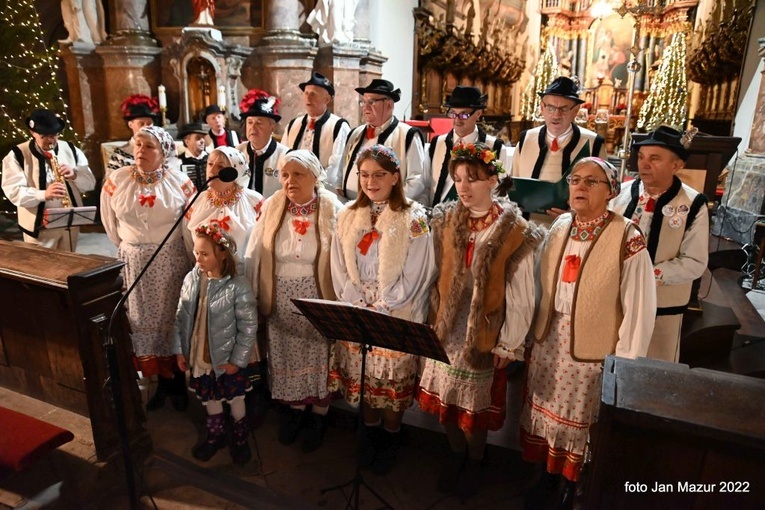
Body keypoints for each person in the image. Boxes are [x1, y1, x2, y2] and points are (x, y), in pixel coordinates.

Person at [519, 157, 656, 509]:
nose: (579, 186)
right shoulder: (560, 224)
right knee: (547, 412)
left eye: (591, 181)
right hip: (550, 339)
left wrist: (624, 366)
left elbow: (639, 307)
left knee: (581, 421)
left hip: (593, 349)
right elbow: (539, 281)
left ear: (611, 191)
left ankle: (573, 486)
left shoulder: (628, 236)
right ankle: (548, 476)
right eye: (575, 179)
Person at [417, 142, 543, 499]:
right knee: (444, 404)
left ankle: (476, 459)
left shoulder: (513, 229)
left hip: (483, 331)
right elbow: (431, 273)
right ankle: (456, 454)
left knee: (473, 409)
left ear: (492, 179)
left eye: (472, 178)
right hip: (446, 326)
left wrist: (510, 341)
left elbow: (521, 292)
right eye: (458, 179)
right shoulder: (444, 219)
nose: (463, 187)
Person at [329, 145, 436, 474]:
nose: (370, 181)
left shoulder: (416, 217)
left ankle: (391, 436)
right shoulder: (347, 214)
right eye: (364, 174)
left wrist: (388, 302)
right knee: (364, 381)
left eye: (379, 175)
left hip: (394, 309)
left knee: (389, 386)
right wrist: (354, 296)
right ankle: (370, 434)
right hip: (358, 305)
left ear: (395, 177)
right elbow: (337, 262)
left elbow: (423, 267)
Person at [244, 150, 343, 453]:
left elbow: (341, 257)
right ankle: (297, 410)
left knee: (318, 356)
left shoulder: (333, 208)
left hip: (318, 294)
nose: (289, 181)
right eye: (285, 175)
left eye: (298, 174)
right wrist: (252, 293)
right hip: (280, 294)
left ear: (315, 177)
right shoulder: (272, 205)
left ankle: (319, 416)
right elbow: (254, 252)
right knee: (286, 354)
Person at [101, 126, 196, 412]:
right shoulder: (116, 180)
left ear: (164, 152)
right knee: (141, 320)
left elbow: (187, 227)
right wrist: (131, 248)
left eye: (149, 146)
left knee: (171, 318)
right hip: (135, 262)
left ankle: (176, 385)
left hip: (170, 262)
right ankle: (156, 383)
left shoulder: (180, 183)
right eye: (138, 144)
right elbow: (110, 223)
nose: (141, 150)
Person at [610, 126, 708, 362]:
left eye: (655, 159)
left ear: (676, 165)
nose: (644, 164)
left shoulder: (693, 204)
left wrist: (648, 276)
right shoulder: (620, 194)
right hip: (615, 299)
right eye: (642, 157)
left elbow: (695, 262)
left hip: (662, 306)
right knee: (612, 363)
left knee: (655, 370)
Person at [172, 224, 258, 465]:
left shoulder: (237, 286)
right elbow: (180, 317)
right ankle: (215, 435)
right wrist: (180, 349)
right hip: (200, 357)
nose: (198, 258)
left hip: (225, 359)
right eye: (196, 253)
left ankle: (240, 440)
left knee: (236, 400)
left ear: (222, 254)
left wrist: (237, 361)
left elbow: (248, 328)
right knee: (210, 398)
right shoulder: (192, 279)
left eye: (205, 254)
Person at [511, 77, 606, 225]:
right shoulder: (526, 139)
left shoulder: (593, 143)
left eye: (564, 109)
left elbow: (604, 194)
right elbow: (513, 184)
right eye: (550, 108)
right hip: (526, 229)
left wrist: (575, 216)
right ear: (542, 108)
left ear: (575, 111)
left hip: (574, 230)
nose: (556, 115)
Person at [2, 109, 96, 251]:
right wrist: (43, 194)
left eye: (55, 135)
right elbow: (13, 192)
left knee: (70, 265)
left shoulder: (70, 149)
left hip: (69, 224)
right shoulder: (17, 154)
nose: (51, 140)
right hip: (39, 229)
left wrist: (75, 175)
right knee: (42, 269)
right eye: (45, 136)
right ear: (32, 132)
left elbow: (90, 183)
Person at [336, 79, 428, 205]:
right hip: (351, 205)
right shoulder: (355, 133)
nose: (366, 107)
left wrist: (387, 203)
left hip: (388, 209)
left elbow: (417, 180)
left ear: (389, 104)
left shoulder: (408, 135)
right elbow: (341, 168)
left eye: (372, 102)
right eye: (363, 102)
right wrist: (339, 188)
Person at [427, 86, 510, 207]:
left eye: (464, 115)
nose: (457, 120)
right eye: (453, 114)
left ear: (478, 114)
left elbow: (499, 192)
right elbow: (425, 184)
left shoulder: (495, 147)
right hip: (438, 217)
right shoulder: (437, 143)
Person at [183, 146, 261, 267]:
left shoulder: (255, 202)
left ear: (235, 172)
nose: (212, 171)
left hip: (242, 275)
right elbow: (188, 242)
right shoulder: (196, 202)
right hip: (204, 274)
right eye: (210, 164)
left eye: (220, 167)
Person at [283, 72, 350, 184]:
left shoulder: (338, 126)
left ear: (327, 99)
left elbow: (336, 165)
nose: (308, 98)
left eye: (313, 94)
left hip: (323, 189)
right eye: (306, 93)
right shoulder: (293, 124)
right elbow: (283, 157)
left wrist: (313, 185)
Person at [236, 89, 289, 199]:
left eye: (259, 123)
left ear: (272, 127)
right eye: (250, 122)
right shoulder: (237, 153)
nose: (253, 127)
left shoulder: (285, 156)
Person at [106, 95, 159, 178]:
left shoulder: (161, 150)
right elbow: (109, 183)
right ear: (131, 125)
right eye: (141, 124)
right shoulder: (120, 154)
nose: (146, 127)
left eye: (149, 123)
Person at [178, 122, 210, 190]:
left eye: (203, 137)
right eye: (198, 138)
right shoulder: (179, 162)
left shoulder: (211, 158)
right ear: (187, 142)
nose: (202, 141)